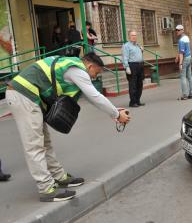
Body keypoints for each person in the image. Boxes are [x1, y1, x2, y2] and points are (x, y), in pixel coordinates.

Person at [5, 52, 130, 202]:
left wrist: (114, 112)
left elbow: (91, 96)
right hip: (23, 95)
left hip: (30, 97)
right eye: (95, 73)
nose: (94, 78)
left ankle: (58, 177)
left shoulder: (72, 65)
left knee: (45, 142)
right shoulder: (77, 70)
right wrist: (116, 114)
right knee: (34, 145)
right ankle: (46, 189)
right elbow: (94, 96)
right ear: (89, 66)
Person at [122, 30, 145, 107]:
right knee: (133, 85)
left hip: (140, 66)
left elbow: (138, 55)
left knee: (139, 84)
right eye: (132, 35)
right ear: (129, 36)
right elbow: (125, 57)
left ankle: (138, 101)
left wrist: (141, 50)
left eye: (135, 35)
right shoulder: (126, 46)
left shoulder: (138, 45)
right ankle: (132, 102)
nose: (134, 37)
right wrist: (127, 67)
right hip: (132, 66)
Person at [175, 24, 192, 100]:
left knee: (183, 77)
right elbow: (181, 51)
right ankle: (191, 93)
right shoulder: (186, 38)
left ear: (182, 30)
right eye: (176, 30)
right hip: (189, 58)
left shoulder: (181, 40)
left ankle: (185, 95)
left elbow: (182, 53)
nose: (177, 31)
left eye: (178, 30)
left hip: (185, 59)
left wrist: (180, 64)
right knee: (189, 76)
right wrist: (177, 56)